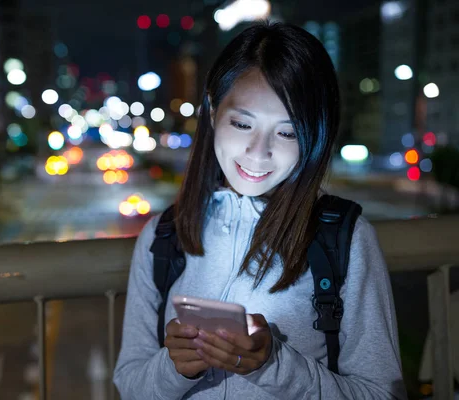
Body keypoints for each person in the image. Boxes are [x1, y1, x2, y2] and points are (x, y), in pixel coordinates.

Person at [113, 20, 407, 399]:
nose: (258, 151)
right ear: (213, 110)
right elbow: (130, 385)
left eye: (287, 132)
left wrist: (274, 364)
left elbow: (384, 393)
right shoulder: (162, 236)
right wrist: (174, 366)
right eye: (242, 123)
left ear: (315, 136)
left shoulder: (344, 238)